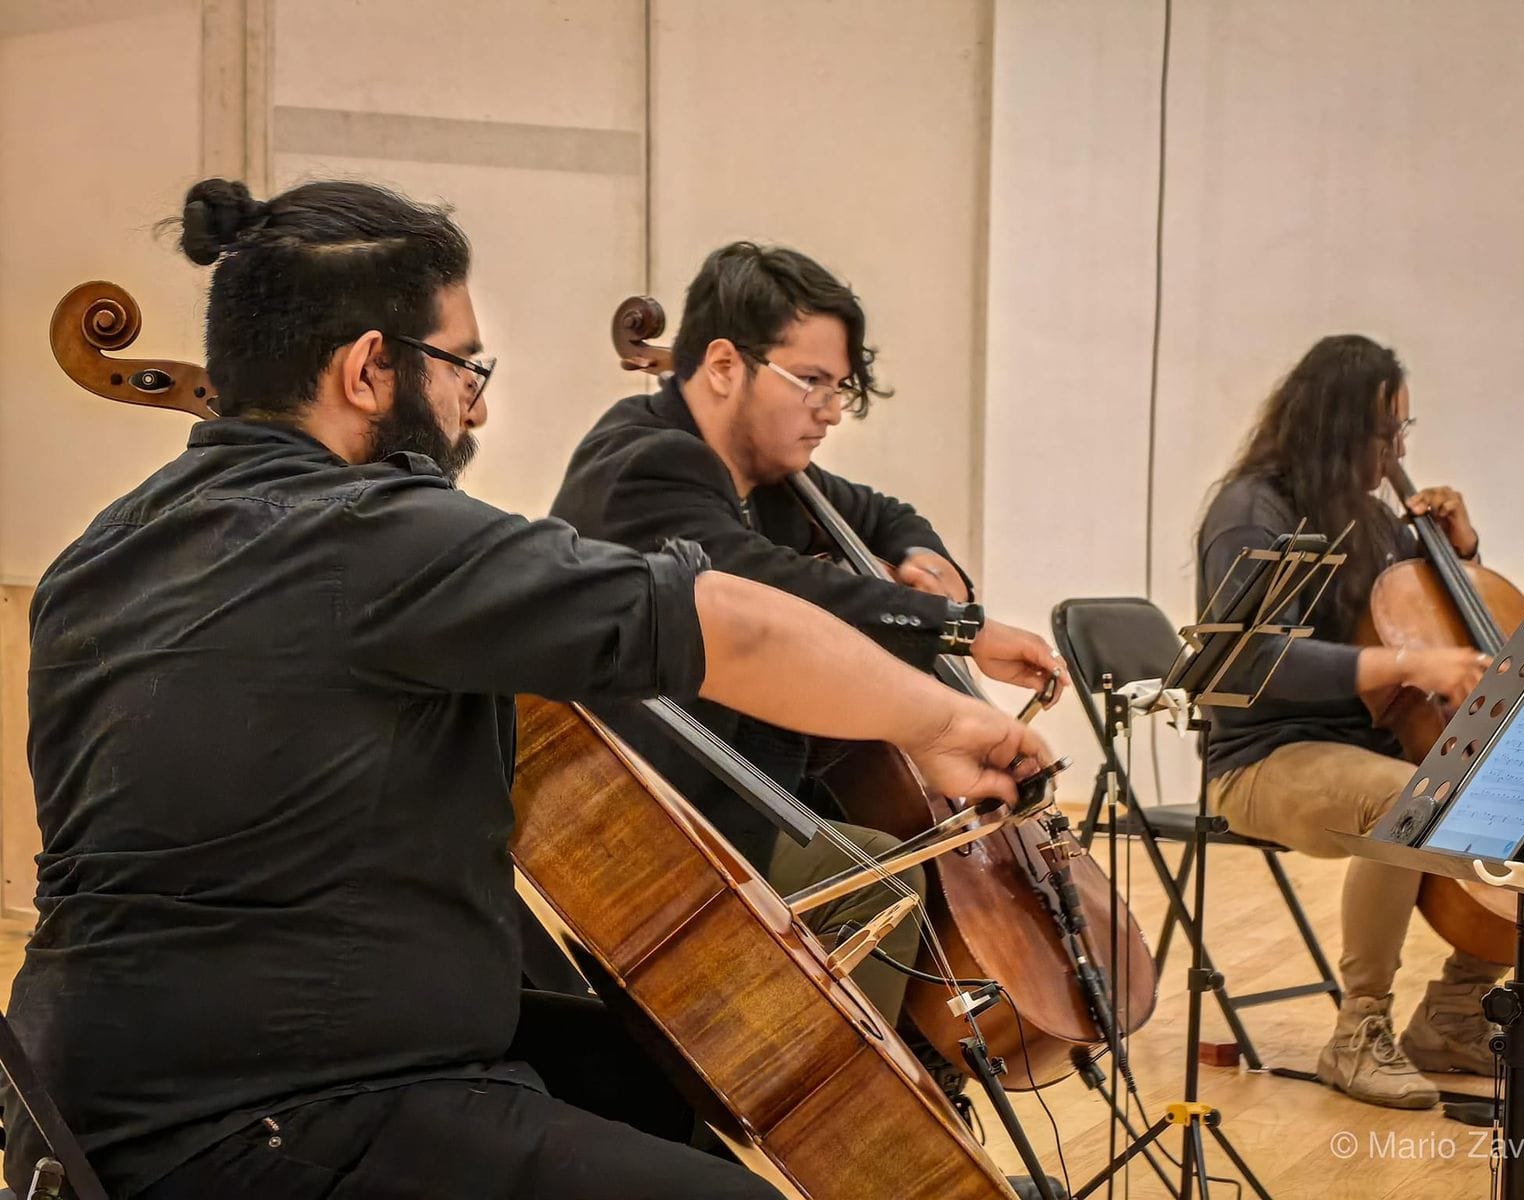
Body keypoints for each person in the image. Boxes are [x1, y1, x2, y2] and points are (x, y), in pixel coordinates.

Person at [3, 179, 1052, 1200]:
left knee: (664, 1078)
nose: (479, 400)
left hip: (91, 1099)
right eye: (463, 364)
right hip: (273, 1116)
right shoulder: (369, 535)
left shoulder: (98, 556)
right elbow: (726, 623)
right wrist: (944, 717)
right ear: (370, 370)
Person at [550, 241, 1064, 1031]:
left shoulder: (769, 470)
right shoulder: (646, 463)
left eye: (841, 388)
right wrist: (962, 629)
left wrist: (927, 561)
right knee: (876, 882)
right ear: (724, 365)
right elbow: (773, 590)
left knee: (890, 853)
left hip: (754, 785)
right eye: (812, 382)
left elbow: (886, 515)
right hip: (656, 815)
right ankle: (854, 1107)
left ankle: (913, 1063)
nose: (829, 410)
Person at [1196, 333, 1524, 1110]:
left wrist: (1459, 548)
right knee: (1413, 799)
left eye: (1404, 430)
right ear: (1335, 428)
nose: (1398, 449)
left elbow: (1431, 614)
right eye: (1385, 432)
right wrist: (1403, 668)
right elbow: (1253, 662)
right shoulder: (1250, 512)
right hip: (1264, 757)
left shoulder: (1369, 519)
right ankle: (1358, 1031)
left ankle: (1459, 1013)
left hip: (1366, 746)